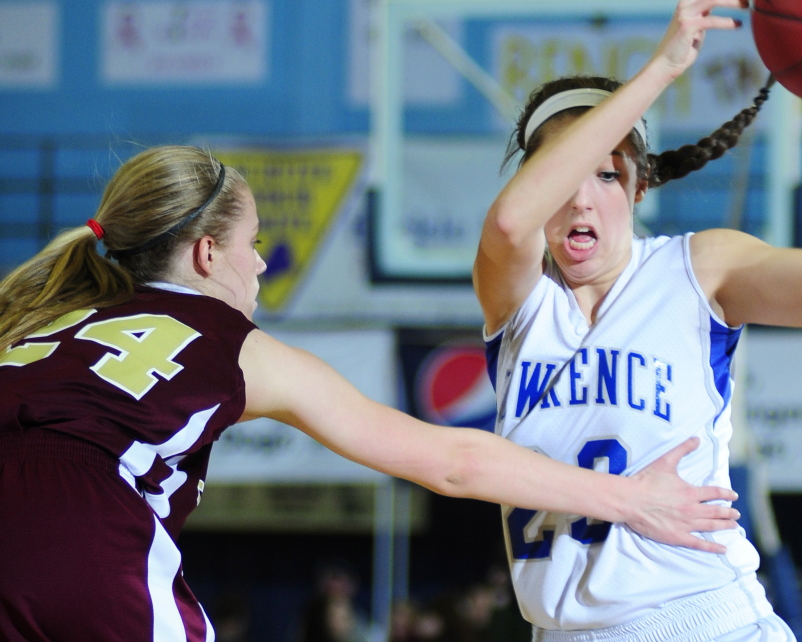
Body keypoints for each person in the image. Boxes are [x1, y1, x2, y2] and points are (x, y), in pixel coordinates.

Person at [0, 145, 741, 641]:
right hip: (84, 549)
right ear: (204, 254)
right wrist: (630, 499)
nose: (259, 265)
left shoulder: (41, 322)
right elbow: (451, 461)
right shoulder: (231, 344)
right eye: (252, 243)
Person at [473, 0, 802, 642]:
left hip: (704, 621)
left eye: (607, 173)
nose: (581, 198)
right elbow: (506, 225)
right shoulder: (517, 301)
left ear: (639, 189)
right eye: (561, 172)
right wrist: (664, 66)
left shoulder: (698, 268)